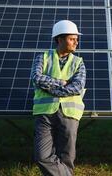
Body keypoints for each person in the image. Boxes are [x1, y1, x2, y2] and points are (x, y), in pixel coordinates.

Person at [31, 20, 86, 176]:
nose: (76, 42)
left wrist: (51, 88)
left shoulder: (78, 62)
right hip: (44, 113)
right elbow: (37, 78)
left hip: (69, 114)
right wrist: (61, 83)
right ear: (59, 39)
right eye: (72, 38)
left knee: (67, 156)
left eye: (76, 38)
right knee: (42, 156)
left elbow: (77, 87)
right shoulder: (43, 57)